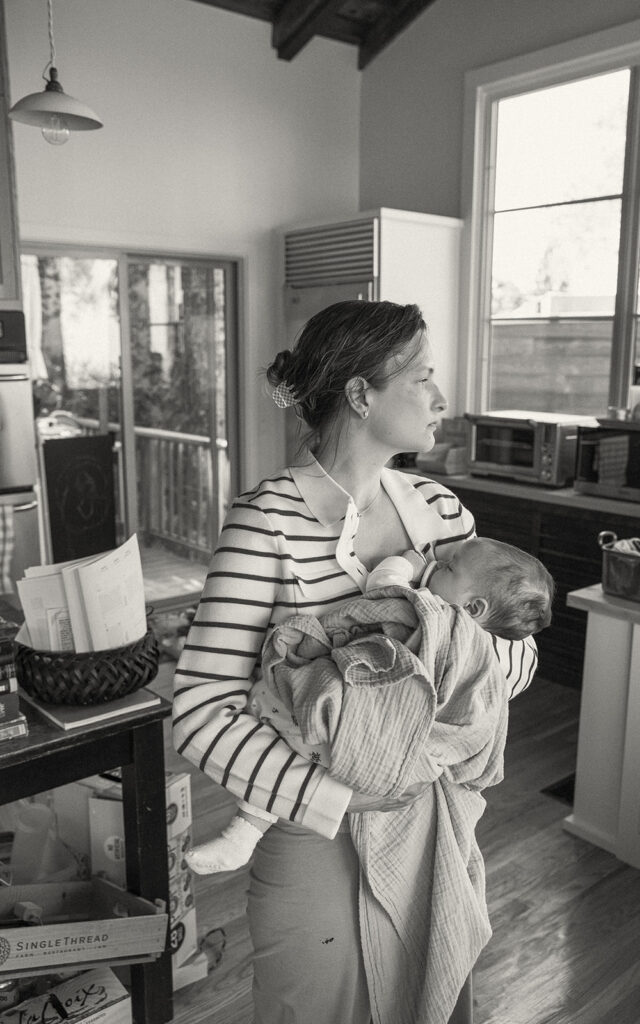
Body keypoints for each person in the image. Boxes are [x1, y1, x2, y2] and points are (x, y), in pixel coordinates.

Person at [172, 299, 539, 1024]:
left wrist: (447, 667)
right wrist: (338, 798)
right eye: (422, 378)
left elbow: (517, 657)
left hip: (433, 823)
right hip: (319, 839)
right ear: (360, 393)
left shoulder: (440, 511)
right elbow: (200, 713)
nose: (440, 399)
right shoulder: (266, 522)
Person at [185, 536, 553, 875]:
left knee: (274, 700)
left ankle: (243, 834)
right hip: (392, 757)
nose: (437, 563)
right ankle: (243, 835)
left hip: (347, 726)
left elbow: (383, 586)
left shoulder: (431, 613)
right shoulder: (483, 654)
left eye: (449, 568)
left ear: (473, 605)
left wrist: (407, 562)